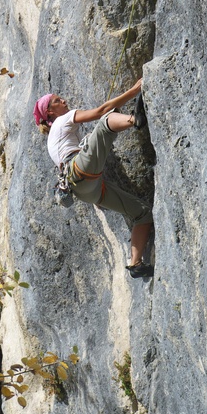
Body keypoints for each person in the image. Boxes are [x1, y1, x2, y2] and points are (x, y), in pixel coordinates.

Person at [33, 79, 154, 279]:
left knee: (142, 214)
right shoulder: (62, 121)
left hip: (84, 190)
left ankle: (136, 264)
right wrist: (135, 89)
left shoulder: (53, 140)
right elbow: (101, 112)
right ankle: (135, 120)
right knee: (105, 122)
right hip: (79, 170)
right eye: (57, 100)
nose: (63, 100)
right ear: (50, 113)